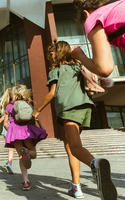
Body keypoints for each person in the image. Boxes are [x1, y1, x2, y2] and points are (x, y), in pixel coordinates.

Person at [32, 41, 117, 199]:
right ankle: (76, 186)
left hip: (69, 108)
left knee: (75, 146)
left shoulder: (55, 69)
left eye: (51, 55)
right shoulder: (78, 67)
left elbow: (52, 93)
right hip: (85, 108)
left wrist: (37, 111)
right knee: (70, 145)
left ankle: (96, 165)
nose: (49, 57)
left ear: (58, 54)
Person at [0, 85, 47, 191]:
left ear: (14, 94)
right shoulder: (27, 104)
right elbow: (36, 116)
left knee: (21, 156)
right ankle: (27, 151)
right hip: (27, 131)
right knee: (33, 154)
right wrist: (41, 126)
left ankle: (26, 181)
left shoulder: (9, 106)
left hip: (15, 133)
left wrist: (11, 131)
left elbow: (5, 124)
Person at [71, 0, 125, 77]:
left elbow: (103, 68)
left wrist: (79, 55)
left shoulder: (93, 17)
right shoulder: (119, 4)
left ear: (85, 13)